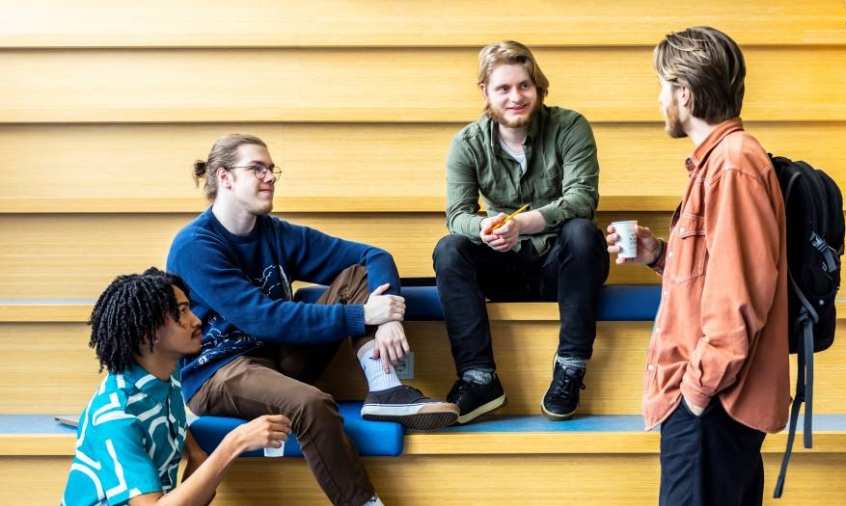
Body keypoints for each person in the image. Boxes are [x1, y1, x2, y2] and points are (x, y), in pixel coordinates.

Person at [167, 134, 458, 506]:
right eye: (257, 169)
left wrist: (389, 320)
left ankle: (385, 389)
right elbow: (262, 318)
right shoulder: (195, 245)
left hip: (277, 360)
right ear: (224, 177)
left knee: (357, 276)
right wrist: (362, 315)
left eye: (272, 170)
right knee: (311, 403)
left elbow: (373, 257)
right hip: (220, 373)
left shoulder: (274, 232)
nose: (270, 177)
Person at [606, 27, 790, 506]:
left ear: (684, 93)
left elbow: (739, 298)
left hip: (713, 406)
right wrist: (658, 255)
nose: (661, 98)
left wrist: (696, 391)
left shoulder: (733, 164)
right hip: (712, 404)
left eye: (663, 86)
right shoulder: (720, 163)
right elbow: (719, 273)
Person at [433, 40, 610, 424]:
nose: (516, 97)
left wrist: (523, 223)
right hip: (502, 268)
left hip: (561, 270)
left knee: (583, 232)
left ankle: (570, 367)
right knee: (450, 249)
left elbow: (582, 198)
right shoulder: (467, 143)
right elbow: (457, 216)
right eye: (504, 88)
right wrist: (485, 228)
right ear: (486, 92)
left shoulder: (570, 126)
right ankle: (479, 379)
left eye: (524, 86)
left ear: (537, 86)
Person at [61, 268, 291, 505]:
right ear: (147, 332)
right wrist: (236, 442)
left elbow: (167, 418)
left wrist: (195, 452)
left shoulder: (167, 375)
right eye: (182, 312)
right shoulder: (117, 418)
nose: (196, 320)